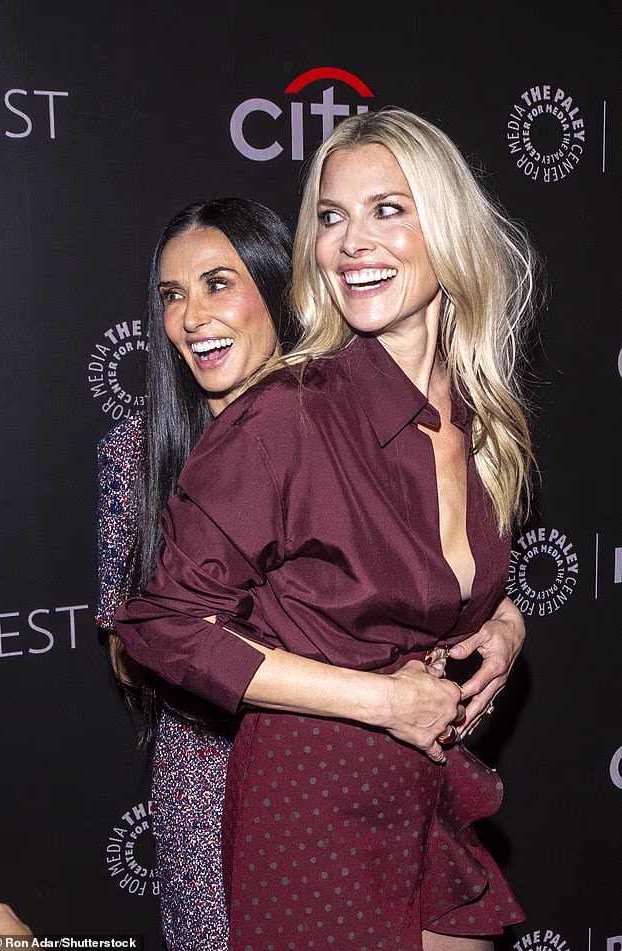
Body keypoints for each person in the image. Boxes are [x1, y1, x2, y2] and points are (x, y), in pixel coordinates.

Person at [115, 106, 537, 951]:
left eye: (387, 209)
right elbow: (160, 625)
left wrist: (504, 624)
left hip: (435, 794)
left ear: (446, 229)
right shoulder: (290, 416)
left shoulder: (477, 420)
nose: (351, 243)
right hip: (312, 807)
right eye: (332, 219)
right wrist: (385, 700)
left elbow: (438, 587)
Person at [96, 197, 297, 950]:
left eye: (218, 283)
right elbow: (124, 641)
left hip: (339, 766)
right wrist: (180, 640)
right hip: (204, 779)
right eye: (173, 295)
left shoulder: (348, 433)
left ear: (278, 287)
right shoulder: (135, 452)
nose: (191, 317)